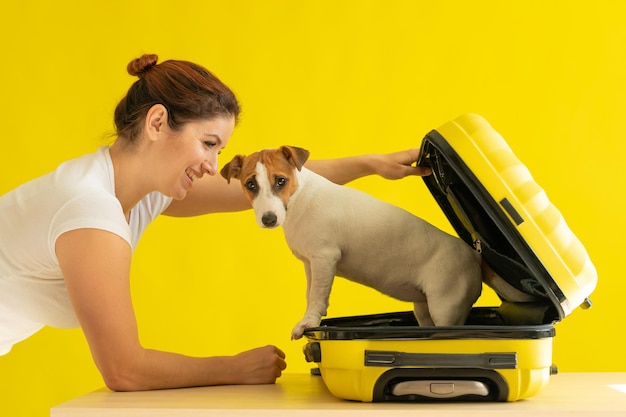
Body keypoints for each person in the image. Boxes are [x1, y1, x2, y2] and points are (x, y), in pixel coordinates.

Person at [0, 54, 432, 391]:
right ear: (156, 123)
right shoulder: (90, 211)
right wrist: (237, 368)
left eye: (220, 151)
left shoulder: (139, 189)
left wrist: (372, 164)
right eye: (208, 144)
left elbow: (272, 183)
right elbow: (123, 369)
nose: (212, 166)